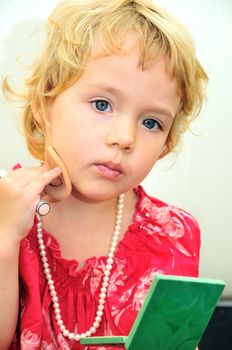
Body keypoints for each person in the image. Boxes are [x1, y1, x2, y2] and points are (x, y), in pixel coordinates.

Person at [0, 0, 208, 349]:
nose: (125, 138)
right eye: (102, 104)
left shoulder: (174, 234)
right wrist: (4, 239)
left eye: (151, 122)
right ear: (43, 105)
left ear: (166, 143)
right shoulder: (5, 209)